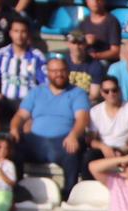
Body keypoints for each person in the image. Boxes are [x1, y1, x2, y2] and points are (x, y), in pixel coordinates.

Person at [12, 56, 90, 196]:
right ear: (48, 72)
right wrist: (14, 129)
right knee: (12, 146)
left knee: (73, 152)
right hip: (36, 141)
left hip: (63, 141)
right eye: (54, 71)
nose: (58, 74)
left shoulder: (77, 93)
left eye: (62, 70)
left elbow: (82, 118)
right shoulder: (37, 92)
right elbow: (20, 115)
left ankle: (68, 195)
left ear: (68, 72)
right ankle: (16, 190)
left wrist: (73, 135)